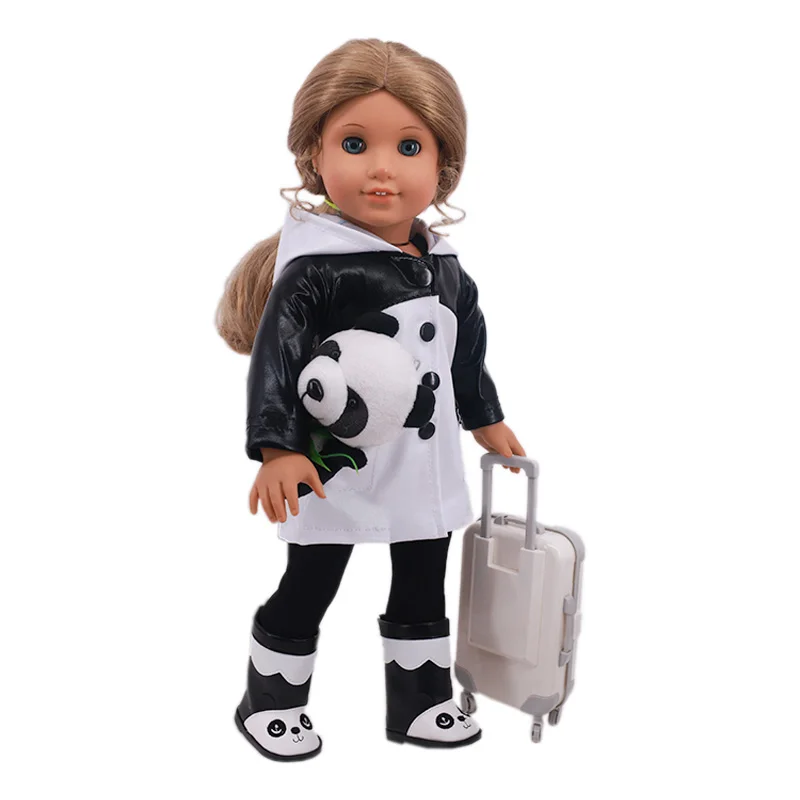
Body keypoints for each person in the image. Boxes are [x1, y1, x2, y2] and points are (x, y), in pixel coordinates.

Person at [216, 38, 525, 761]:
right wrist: (277, 448)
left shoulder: (445, 267)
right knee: (312, 580)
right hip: (332, 463)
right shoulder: (316, 270)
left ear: (443, 166)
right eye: (354, 144)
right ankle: (270, 703)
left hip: (423, 464)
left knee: (423, 579)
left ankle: (420, 703)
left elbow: (465, 354)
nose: (382, 168)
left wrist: (486, 418)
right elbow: (275, 360)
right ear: (314, 156)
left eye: (409, 147)